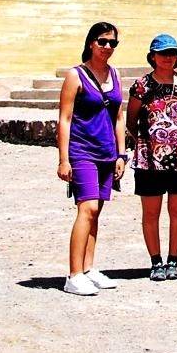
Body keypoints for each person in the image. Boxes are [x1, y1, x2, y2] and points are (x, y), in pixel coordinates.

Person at [57, 21, 126, 296]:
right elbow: (64, 119)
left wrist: (121, 153)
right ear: (90, 43)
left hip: (107, 152)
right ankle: (73, 274)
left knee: (97, 211)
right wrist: (64, 159)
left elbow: (119, 117)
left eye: (112, 43)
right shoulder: (76, 75)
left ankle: (88, 268)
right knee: (87, 209)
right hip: (82, 150)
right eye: (102, 41)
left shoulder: (116, 74)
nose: (107, 47)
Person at [125, 32, 177, 281]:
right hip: (150, 157)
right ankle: (155, 261)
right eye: (163, 53)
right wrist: (145, 143)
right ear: (153, 57)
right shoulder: (142, 86)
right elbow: (131, 119)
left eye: (172, 53)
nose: (168, 58)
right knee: (151, 211)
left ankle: (173, 260)